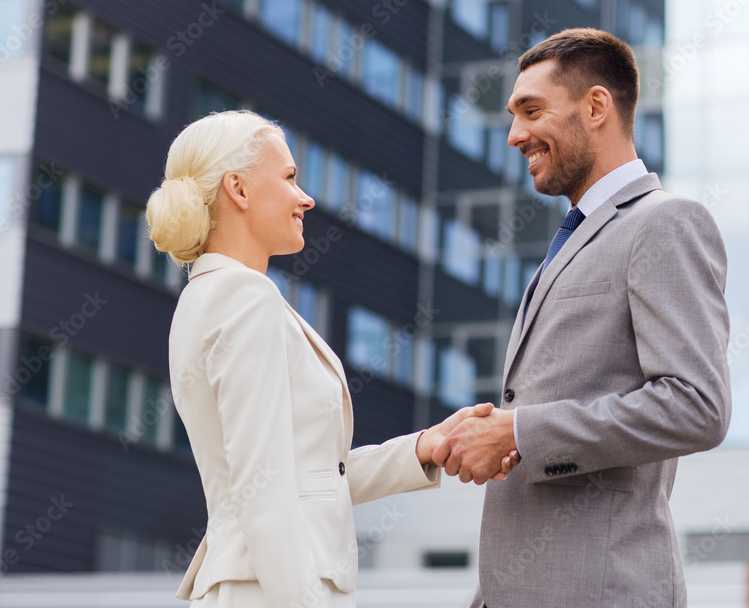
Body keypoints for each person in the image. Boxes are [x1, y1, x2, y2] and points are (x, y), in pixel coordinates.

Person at [145, 110, 517, 608]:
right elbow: (265, 488)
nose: (307, 197)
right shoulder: (245, 297)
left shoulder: (208, 295)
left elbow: (309, 476)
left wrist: (425, 447)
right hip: (271, 590)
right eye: (290, 177)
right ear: (238, 189)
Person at [432, 28, 733, 608]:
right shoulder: (573, 242)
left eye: (532, 110)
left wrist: (519, 431)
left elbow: (699, 406)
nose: (516, 135)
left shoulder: (664, 223)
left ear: (596, 107)